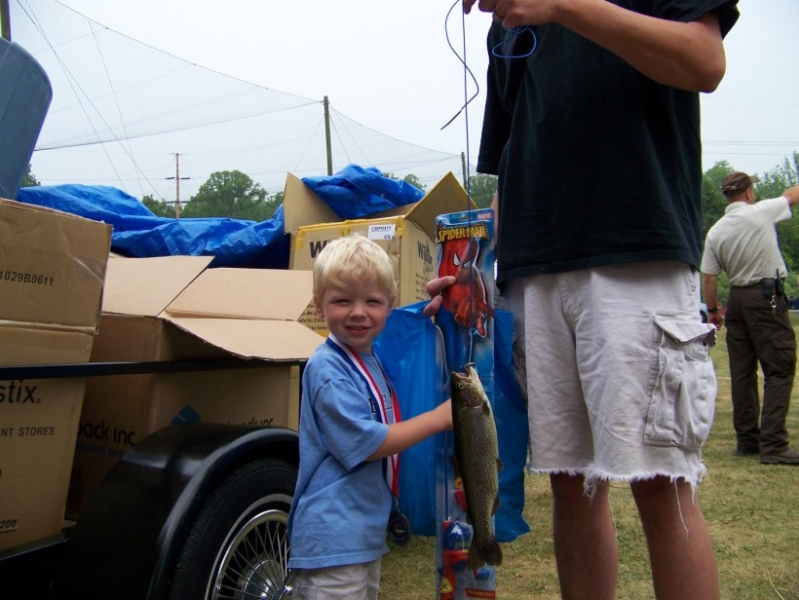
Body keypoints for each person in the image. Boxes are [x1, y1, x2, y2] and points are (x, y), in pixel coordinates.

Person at [426, 1, 741, 598]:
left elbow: (706, 60)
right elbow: (514, 161)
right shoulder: (510, 19)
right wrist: (473, 271)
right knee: (569, 482)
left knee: (661, 481)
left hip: (636, 251)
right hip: (535, 269)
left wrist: (562, 5)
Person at [288, 234, 453, 600]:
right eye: (342, 300)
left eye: (372, 301)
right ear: (319, 305)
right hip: (331, 541)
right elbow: (368, 443)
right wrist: (440, 418)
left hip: (362, 535)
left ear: (390, 306)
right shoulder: (328, 368)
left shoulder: (368, 354)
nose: (358, 312)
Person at [700, 171, 799, 465]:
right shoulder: (760, 213)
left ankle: (747, 440)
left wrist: (714, 311)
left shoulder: (716, 231)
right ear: (748, 193)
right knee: (779, 368)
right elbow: (792, 196)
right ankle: (774, 444)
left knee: (742, 373)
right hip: (765, 298)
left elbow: (709, 276)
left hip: (738, 302)